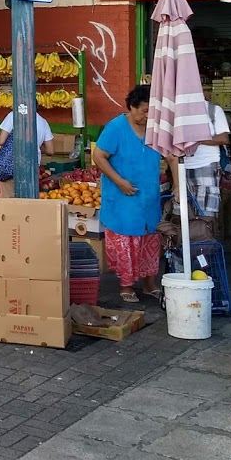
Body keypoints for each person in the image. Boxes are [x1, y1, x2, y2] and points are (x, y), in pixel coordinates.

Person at [92, 84, 178, 303]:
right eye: (144, 110)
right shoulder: (116, 127)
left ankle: (149, 284)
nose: (148, 116)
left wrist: (177, 185)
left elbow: (171, 157)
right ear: (131, 107)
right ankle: (126, 286)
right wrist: (119, 181)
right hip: (121, 197)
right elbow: (99, 156)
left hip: (148, 197)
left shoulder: (156, 128)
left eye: (152, 111)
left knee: (149, 241)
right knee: (125, 243)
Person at [181, 93, 230, 218]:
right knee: (185, 214)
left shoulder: (213, 110)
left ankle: (206, 236)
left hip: (207, 166)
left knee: (207, 213)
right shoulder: (179, 112)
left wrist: (196, 140)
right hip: (182, 166)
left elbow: (224, 138)